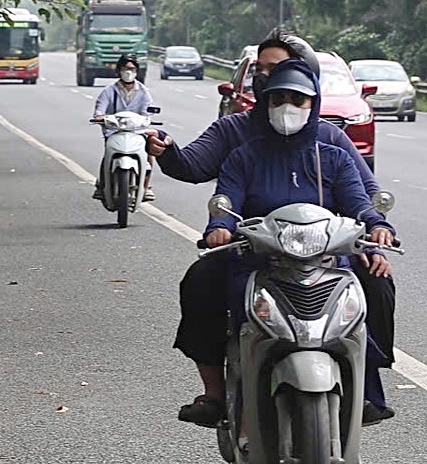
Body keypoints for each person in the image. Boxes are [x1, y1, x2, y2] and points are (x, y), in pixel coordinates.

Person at [160, 41, 399, 427]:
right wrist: (219, 229)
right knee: (203, 283)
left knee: (373, 284)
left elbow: (362, 199)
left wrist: (378, 230)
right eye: (277, 96)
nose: (287, 106)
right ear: (265, 98)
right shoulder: (242, 149)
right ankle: (219, 393)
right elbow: (222, 196)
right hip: (255, 254)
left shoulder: (333, 150)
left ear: (313, 100)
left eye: (298, 98)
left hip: (325, 255)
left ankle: (366, 385)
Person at [92, 58, 155, 202]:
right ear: (119, 71)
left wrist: (146, 119)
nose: (128, 72)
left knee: (148, 153)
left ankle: (146, 187)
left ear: (136, 71)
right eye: (125, 69)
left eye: (132, 69)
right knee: (108, 154)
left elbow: (147, 111)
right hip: (114, 131)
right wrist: (100, 117)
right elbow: (100, 109)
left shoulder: (144, 92)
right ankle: (102, 185)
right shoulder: (109, 91)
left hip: (136, 132)